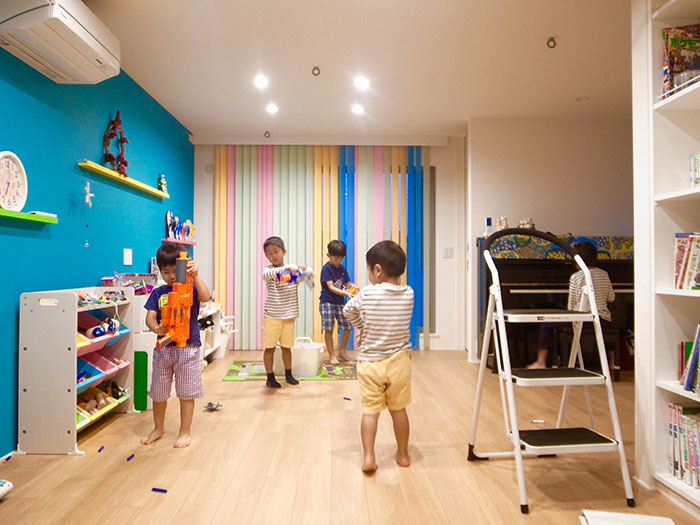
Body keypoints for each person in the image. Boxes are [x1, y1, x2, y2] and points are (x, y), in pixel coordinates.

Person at [343, 240, 414, 472]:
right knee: (398, 410)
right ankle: (403, 455)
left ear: (377, 270)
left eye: (369, 270)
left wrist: (362, 326)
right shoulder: (408, 293)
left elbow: (347, 310)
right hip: (399, 362)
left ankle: (369, 457)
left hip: (370, 363)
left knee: (370, 412)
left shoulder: (367, 293)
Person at [141, 241, 211, 448]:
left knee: (187, 392)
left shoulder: (192, 289)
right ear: (160, 271)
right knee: (159, 392)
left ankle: (185, 431)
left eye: (175, 271)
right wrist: (157, 329)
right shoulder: (158, 293)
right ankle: (158, 428)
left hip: (188, 348)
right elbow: (150, 318)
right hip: (164, 350)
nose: (171, 276)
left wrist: (195, 275)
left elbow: (206, 296)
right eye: (166, 272)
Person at [527, 241, 615, 369]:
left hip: (583, 320)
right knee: (610, 325)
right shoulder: (604, 274)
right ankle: (612, 362)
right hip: (603, 320)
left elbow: (571, 307)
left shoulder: (576, 277)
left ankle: (541, 362)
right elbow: (611, 298)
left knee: (546, 324)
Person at [262, 236, 306, 388]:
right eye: (269, 253)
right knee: (270, 348)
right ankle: (270, 377)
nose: (273, 255)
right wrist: (290, 269)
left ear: (284, 252)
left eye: (276, 251)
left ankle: (288, 374)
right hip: (272, 317)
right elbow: (269, 275)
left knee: (287, 347)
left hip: (288, 316)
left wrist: (302, 270)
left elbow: (306, 275)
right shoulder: (268, 271)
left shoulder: (291, 271)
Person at [319, 239, 355, 365]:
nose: (338, 261)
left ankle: (342, 351)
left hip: (340, 303)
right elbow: (331, 287)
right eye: (336, 258)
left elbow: (346, 284)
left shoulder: (343, 269)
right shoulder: (326, 269)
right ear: (329, 255)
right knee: (329, 329)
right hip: (327, 302)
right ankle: (331, 355)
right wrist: (345, 293)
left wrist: (352, 289)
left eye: (341, 258)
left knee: (347, 327)